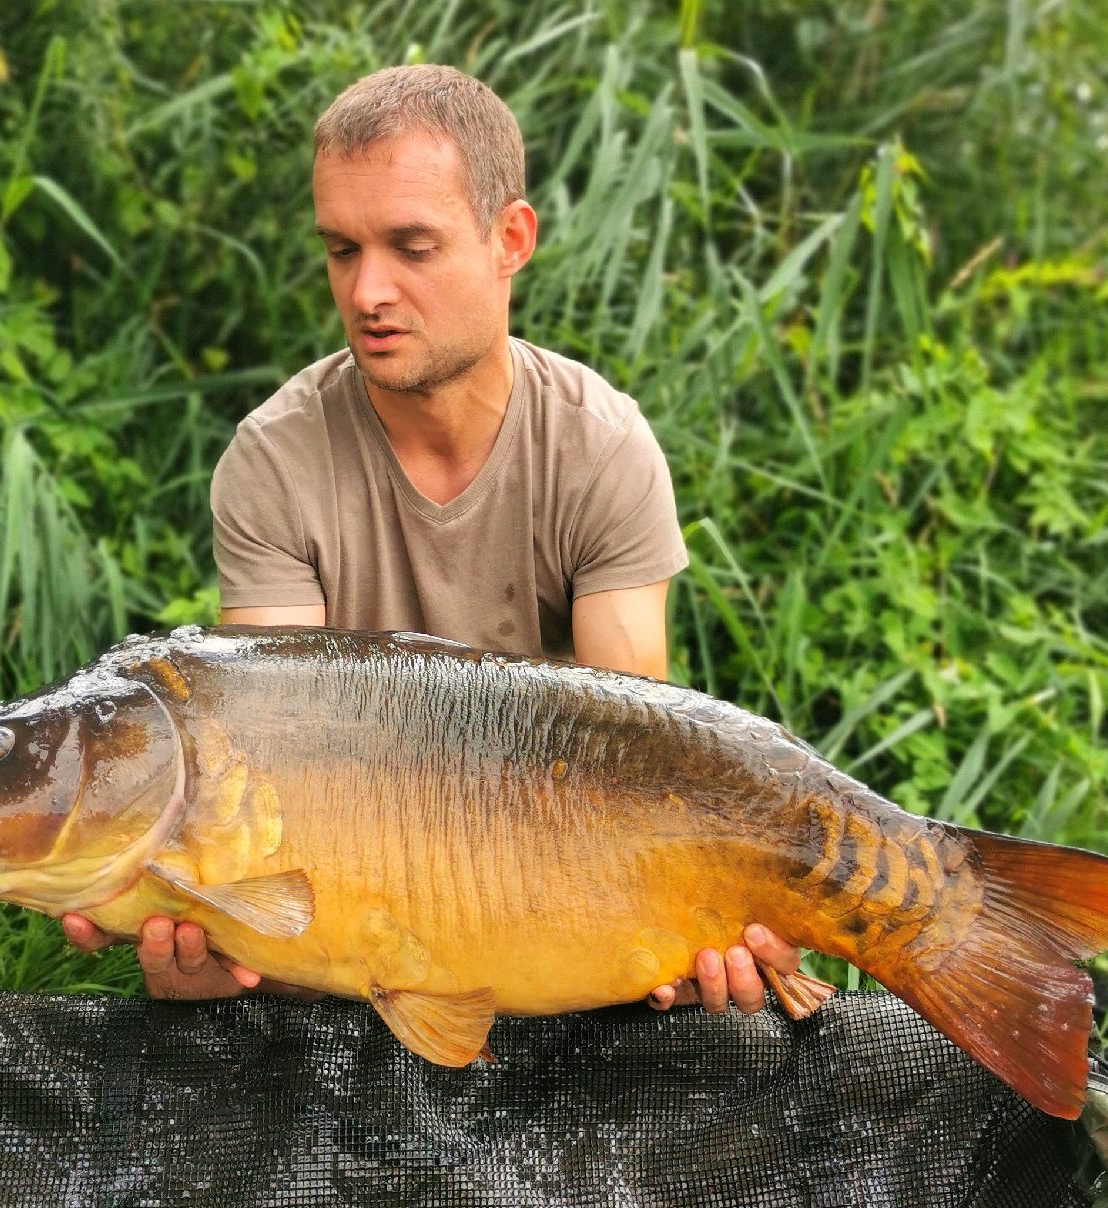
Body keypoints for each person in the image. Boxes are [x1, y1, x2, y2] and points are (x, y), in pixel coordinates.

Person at [62, 64, 802, 1020]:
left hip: (556, 886)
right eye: (341, 249)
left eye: (412, 246)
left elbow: (635, 762)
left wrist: (698, 930)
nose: (369, 290)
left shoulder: (600, 444)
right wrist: (211, 948)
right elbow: (263, 767)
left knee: (710, 995)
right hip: (355, 905)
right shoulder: (274, 460)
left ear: (510, 240)